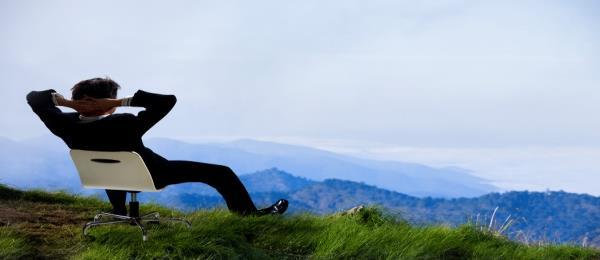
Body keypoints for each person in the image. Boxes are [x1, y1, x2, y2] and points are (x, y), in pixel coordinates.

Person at [26, 77, 288, 216]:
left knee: (110, 163)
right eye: (113, 99)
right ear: (109, 101)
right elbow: (167, 101)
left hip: (104, 176)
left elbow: (34, 97)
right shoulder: (125, 122)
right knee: (221, 172)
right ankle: (248, 216)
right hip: (151, 173)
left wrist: (70, 105)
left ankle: (119, 211)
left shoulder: (63, 124)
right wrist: (122, 103)